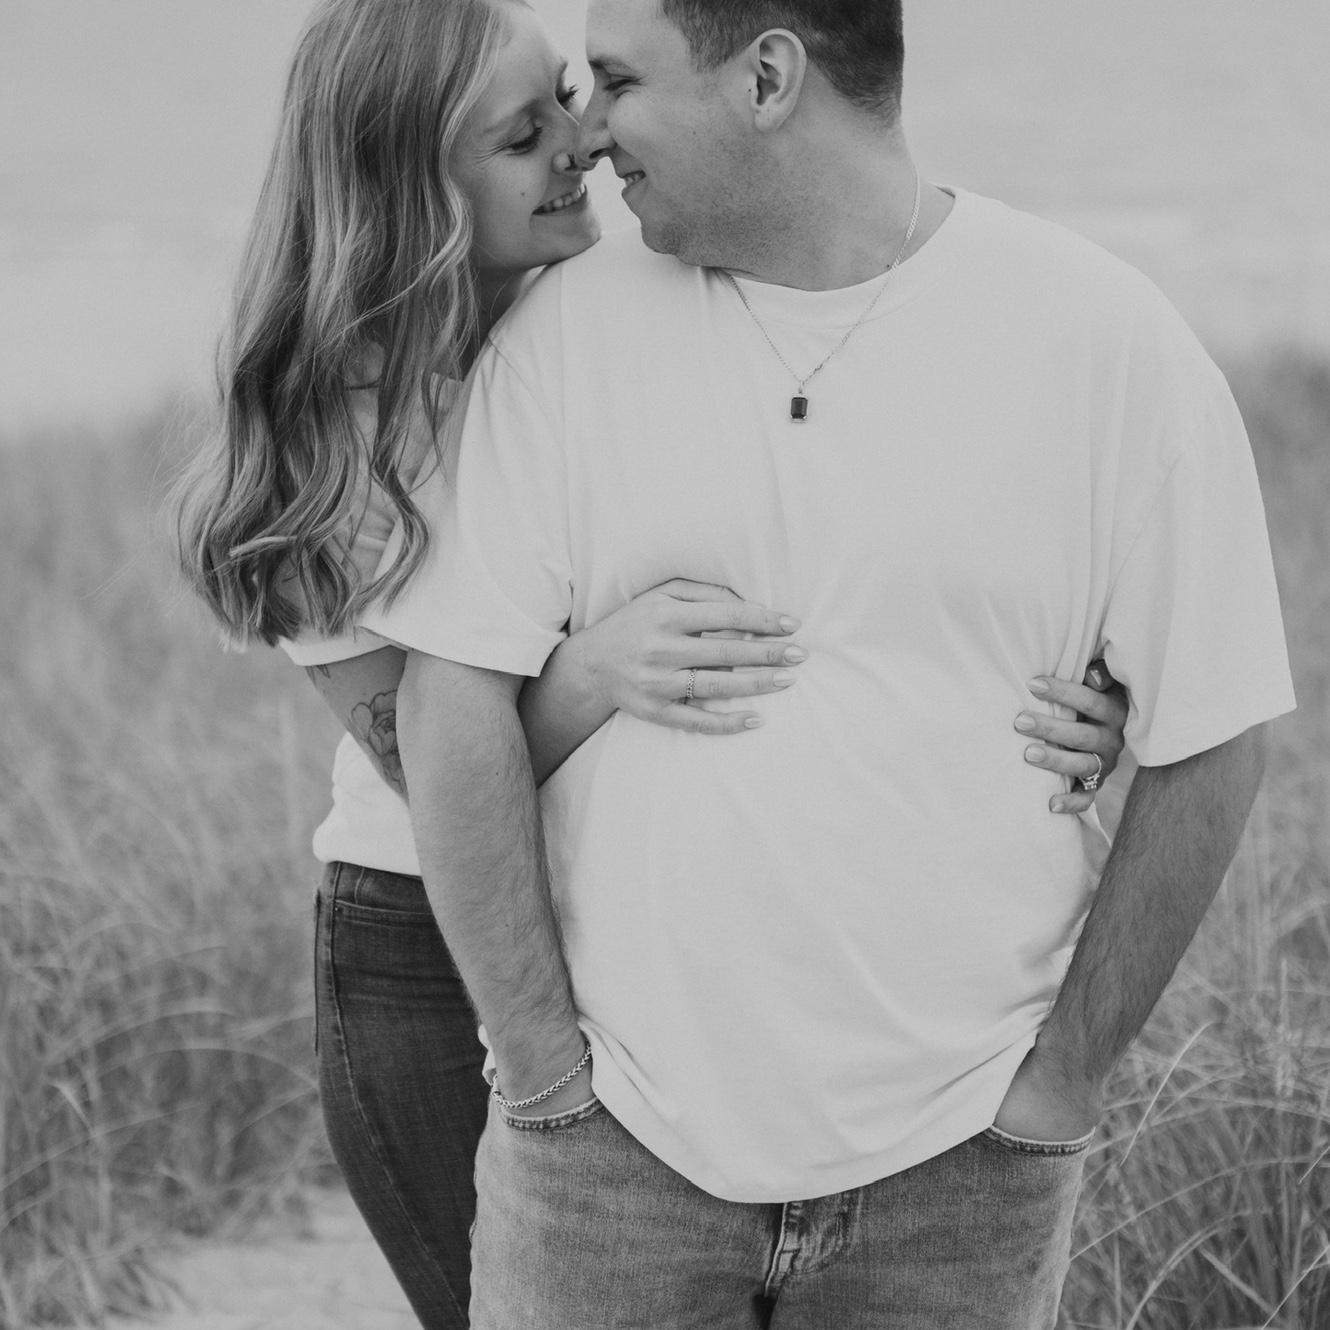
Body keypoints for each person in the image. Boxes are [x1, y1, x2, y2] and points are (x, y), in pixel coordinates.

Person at [175, 1, 1130, 1325]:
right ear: (415, 196)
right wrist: (594, 671)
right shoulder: (335, 446)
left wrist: (1074, 696)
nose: (585, 140)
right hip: (423, 948)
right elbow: (423, 764)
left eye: (571, 96)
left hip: (617, 931)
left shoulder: (597, 312)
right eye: (524, 137)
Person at [357, 1, 1298, 1326]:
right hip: (612, 1159)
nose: (590, 129)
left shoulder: (1104, 340)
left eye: (617, 81)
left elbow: (1216, 728)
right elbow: (449, 701)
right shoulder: (563, 336)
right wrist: (544, 1074)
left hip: (961, 1167)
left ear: (767, 77)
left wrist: (1060, 1082)